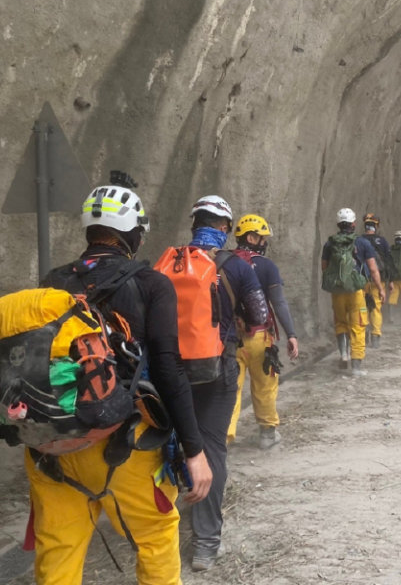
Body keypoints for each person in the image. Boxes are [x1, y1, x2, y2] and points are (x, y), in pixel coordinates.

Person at [28, 174, 212, 585]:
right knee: (156, 539)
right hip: (124, 442)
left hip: (53, 443)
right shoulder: (151, 284)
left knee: (58, 551)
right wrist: (195, 450)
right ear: (134, 233)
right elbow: (167, 369)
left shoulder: (51, 282)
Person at [176, 196, 268, 572]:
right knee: (211, 448)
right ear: (226, 228)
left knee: (172, 443)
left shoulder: (169, 263)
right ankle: (205, 543)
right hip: (218, 368)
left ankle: (161, 529)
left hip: (173, 373)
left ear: (194, 222)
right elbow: (259, 315)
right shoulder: (237, 266)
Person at [226, 214, 300, 450]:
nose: (264, 242)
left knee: (229, 388)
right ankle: (267, 433)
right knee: (265, 385)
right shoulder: (267, 266)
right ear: (250, 237)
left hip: (227, 339)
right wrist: (291, 334)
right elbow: (278, 303)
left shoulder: (222, 262)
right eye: (261, 238)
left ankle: (223, 440)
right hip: (259, 338)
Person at [320, 208, 383, 376]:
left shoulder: (330, 243)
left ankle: (344, 354)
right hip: (356, 291)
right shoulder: (362, 243)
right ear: (354, 223)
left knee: (341, 323)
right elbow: (373, 269)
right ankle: (356, 367)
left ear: (338, 224)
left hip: (337, 292)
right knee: (357, 326)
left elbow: (324, 268)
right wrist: (381, 288)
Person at [359, 213, 393, 346]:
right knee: (375, 308)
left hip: (362, 279)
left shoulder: (358, 240)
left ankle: (364, 334)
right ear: (376, 226)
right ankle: (375, 337)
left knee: (362, 307)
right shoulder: (382, 241)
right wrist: (391, 280)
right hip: (378, 280)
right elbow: (388, 261)